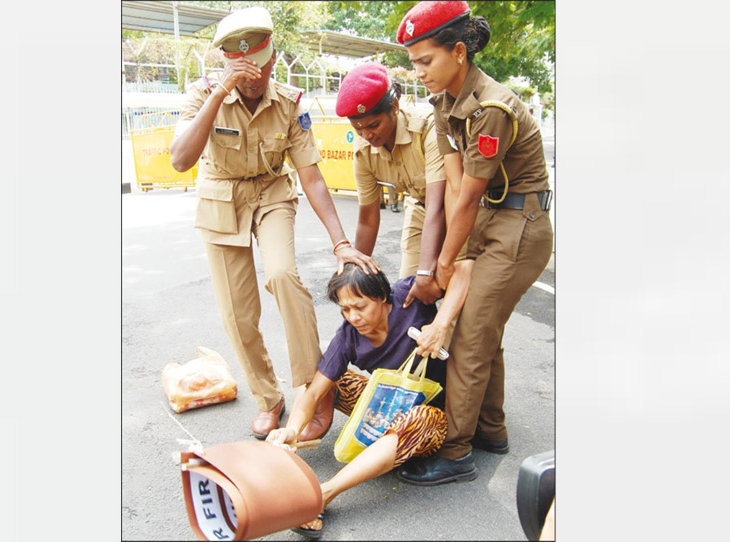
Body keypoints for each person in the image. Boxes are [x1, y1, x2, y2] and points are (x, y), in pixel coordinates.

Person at [170, 6, 379, 440]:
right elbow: (180, 159)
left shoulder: (289, 103)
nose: (252, 79)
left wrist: (340, 243)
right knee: (237, 313)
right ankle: (269, 398)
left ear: (272, 58)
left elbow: (312, 176)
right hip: (221, 196)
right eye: (241, 71)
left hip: (270, 192)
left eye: (259, 69)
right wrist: (217, 94)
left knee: (284, 275)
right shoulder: (201, 93)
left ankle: (312, 389)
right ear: (226, 63)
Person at [393, 1, 554, 485]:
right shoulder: (444, 104)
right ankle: (490, 429)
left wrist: (444, 263)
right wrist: (448, 256)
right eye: (413, 62)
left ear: (458, 52)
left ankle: (456, 449)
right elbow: (456, 184)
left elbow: (469, 198)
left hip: (520, 225)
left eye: (426, 60)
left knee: (468, 334)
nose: (417, 72)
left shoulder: (492, 108)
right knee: (484, 327)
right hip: (487, 216)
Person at [266, 260, 474, 538]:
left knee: (417, 419)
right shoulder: (349, 336)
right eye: (345, 310)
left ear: (383, 297)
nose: (353, 317)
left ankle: (326, 492)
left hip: (434, 418)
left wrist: (439, 325)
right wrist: (292, 429)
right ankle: (379, 447)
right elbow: (315, 391)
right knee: (332, 377)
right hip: (390, 406)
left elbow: (464, 268)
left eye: (360, 307)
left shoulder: (410, 296)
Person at [335, 62, 452, 307]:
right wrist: (356, 278)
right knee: (407, 299)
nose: (367, 135)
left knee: (456, 309)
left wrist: (426, 273)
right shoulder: (364, 151)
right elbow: (368, 218)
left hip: (454, 209)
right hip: (420, 210)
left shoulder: (427, 128)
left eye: (373, 125)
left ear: (395, 107)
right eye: (358, 128)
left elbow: (438, 207)